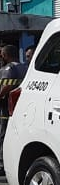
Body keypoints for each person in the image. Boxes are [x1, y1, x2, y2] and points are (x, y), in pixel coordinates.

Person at [0, 44, 27, 175]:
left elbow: (5, 86)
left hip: (6, 106)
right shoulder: (24, 66)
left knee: (3, 134)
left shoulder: (9, 68)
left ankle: (2, 163)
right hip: (21, 106)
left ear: (5, 55)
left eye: (2, 54)